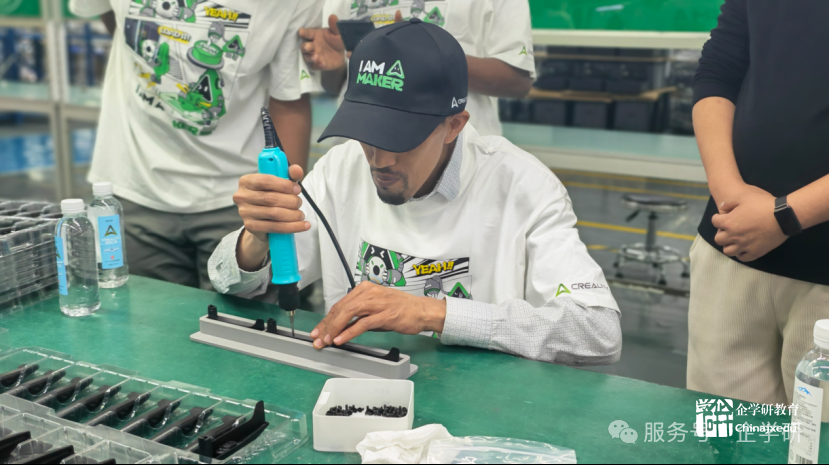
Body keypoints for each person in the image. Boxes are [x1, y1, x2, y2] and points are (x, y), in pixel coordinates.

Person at [208, 19, 621, 365]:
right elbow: (230, 281)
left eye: (401, 138)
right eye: (367, 133)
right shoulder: (341, 168)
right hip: (358, 391)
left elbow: (598, 332)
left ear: (453, 125)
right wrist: (255, 240)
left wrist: (434, 313)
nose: (379, 160)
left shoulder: (522, 185)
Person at [68, 0, 322, 289]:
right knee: (140, 313)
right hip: (133, 183)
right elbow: (114, 20)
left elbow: (289, 98)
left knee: (249, 312)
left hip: (239, 198)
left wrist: (279, 206)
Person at [689, 0, 829, 404]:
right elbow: (718, 70)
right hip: (732, 245)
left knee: (816, 436)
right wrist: (729, 194)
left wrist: (784, 217)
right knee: (723, 432)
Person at [297, 0, 535, 137]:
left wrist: (424, 53)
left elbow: (516, 80)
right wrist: (334, 65)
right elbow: (337, 85)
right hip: (358, 147)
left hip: (455, 152)